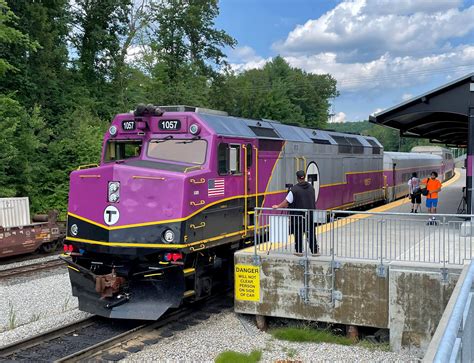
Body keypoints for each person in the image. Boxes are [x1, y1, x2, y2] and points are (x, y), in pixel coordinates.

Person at [272, 170, 319, 256]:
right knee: (311, 233)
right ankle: (315, 251)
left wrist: (278, 207)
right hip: (310, 216)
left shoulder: (294, 190)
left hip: (298, 217)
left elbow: (286, 202)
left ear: (297, 178)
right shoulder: (311, 188)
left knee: (298, 234)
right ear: (304, 177)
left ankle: (299, 251)